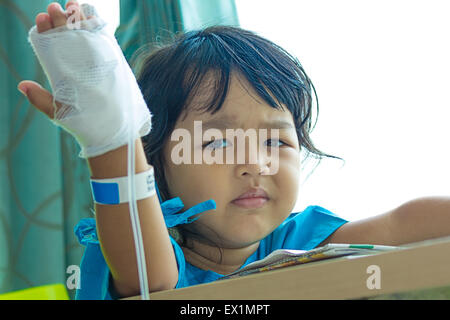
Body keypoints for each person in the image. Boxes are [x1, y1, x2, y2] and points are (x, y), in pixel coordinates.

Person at [18, 2, 450, 300]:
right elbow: (153, 282)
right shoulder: (138, 242)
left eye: (276, 141)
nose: (254, 163)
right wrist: (111, 138)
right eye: (217, 142)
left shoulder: (302, 244)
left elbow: (405, 223)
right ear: (155, 161)